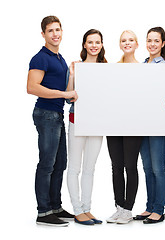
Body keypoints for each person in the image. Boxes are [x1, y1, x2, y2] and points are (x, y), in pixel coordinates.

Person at [27, 15, 78, 227]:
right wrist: (64, 94)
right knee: (47, 164)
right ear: (43, 34)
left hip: (57, 115)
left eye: (58, 30)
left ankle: (55, 206)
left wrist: (72, 76)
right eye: (50, 31)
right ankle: (44, 212)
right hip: (46, 114)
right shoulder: (40, 57)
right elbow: (32, 87)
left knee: (60, 163)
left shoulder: (60, 58)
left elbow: (66, 92)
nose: (55, 34)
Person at [66, 29, 107, 225]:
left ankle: (87, 208)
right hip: (78, 120)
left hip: (97, 123)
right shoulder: (77, 66)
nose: (93, 45)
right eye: (90, 42)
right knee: (74, 167)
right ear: (84, 45)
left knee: (90, 168)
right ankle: (77, 210)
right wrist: (72, 75)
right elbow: (68, 97)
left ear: (101, 45)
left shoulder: (106, 68)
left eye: (97, 42)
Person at [133, 27, 165, 224]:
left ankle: (159, 209)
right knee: (147, 168)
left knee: (158, 168)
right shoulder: (142, 65)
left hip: (158, 123)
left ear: (163, 44)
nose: (152, 44)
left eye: (156, 41)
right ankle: (149, 207)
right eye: (149, 40)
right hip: (143, 123)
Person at [106, 30, 143, 224]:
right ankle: (119, 207)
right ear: (120, 45)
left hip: (133, 125)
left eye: (131, 40)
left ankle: (128, 209)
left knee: (130, 166)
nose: (127, 43)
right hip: (113, 124)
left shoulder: (144, 69)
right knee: (116, 167)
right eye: (123, 40)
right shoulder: (113, 69)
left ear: (137, 44)